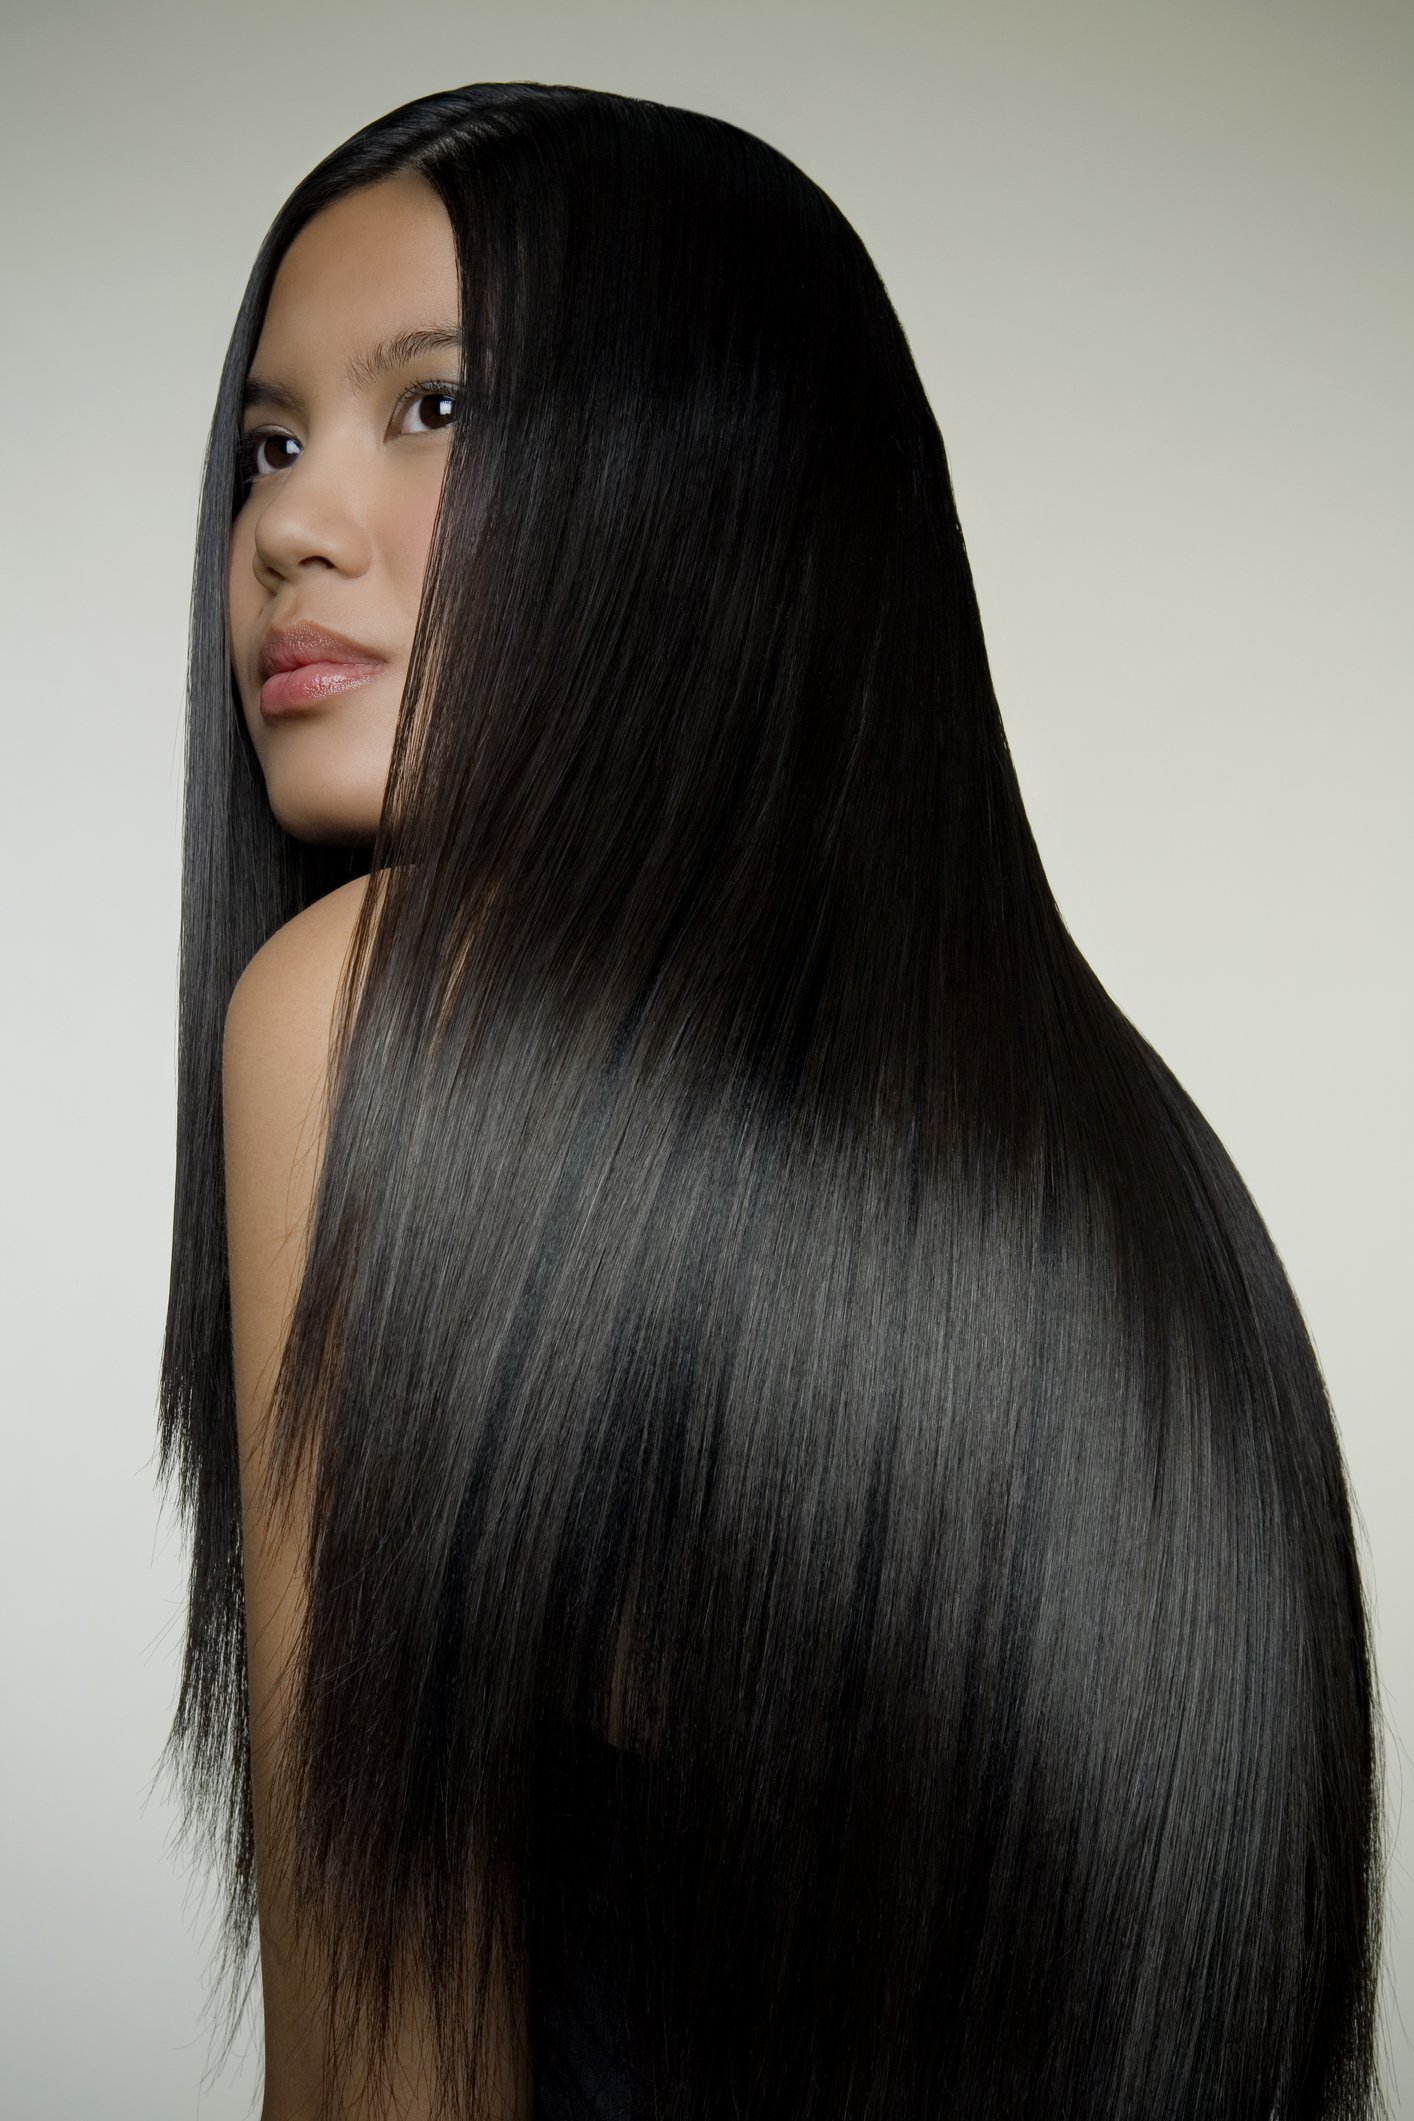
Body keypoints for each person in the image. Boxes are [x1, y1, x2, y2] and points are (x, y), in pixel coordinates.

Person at [157, 82, 1385, 2121]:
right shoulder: (1138, 1191)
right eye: (268, 441)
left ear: (711, 479)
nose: (289, 521)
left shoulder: (362, 1012)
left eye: (436, 409)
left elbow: (385, 2084)